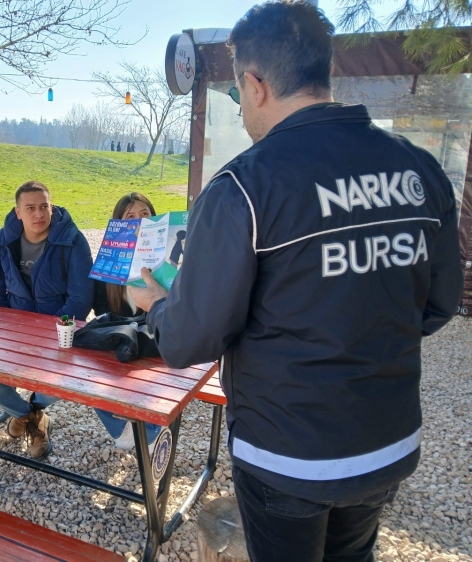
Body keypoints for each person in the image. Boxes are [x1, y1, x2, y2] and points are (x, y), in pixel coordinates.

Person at [129, 3, 463, 562]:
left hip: (287, 456)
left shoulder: (243, 186)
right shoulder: (421, 169)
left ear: (255, 85)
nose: (240, 111)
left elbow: (189, 340)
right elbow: (438, 305)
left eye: (237, 94)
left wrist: (156, 305)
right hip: (388, 442)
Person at [0, 180, 94, 459]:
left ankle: (32, 409)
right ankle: (29, 416)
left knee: (68, 375)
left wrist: (45, 334)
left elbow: (80, 300)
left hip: (58, 330)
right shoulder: (2, 241)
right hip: (13, 328)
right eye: (30, 208)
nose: (38, 214)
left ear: (52, 208)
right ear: (18, 212)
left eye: (44, 207)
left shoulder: (73, 241)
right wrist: (11, 330)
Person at [92, 192, 163, 450]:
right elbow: (101, 308)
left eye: (145, 214)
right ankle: (125, 432)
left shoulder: (167, 260)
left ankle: (152, 433)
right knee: (90, 375)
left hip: (158, 341)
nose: (139, 222)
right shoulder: (109, 260)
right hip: (121, 340)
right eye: (130, 217)